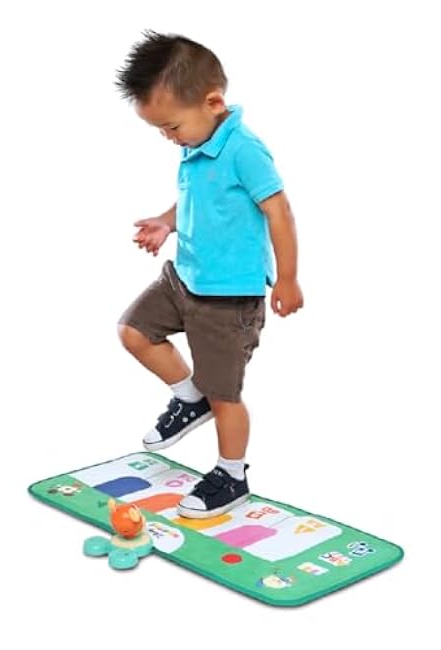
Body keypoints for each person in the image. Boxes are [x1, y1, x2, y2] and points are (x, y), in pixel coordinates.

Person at [115, 31, 303, 519]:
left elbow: (279, 211)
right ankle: (187, 397)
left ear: (213, 102)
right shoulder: (196, 140)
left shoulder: (244, 150)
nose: (168, 137)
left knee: (225, 395)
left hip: (228, 298)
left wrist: (287, 278)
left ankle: (231, 475)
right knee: (134, 331)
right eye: (160, 129)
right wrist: (167, 222)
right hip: (185, 277)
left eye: (171, 126)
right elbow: (196, 198)